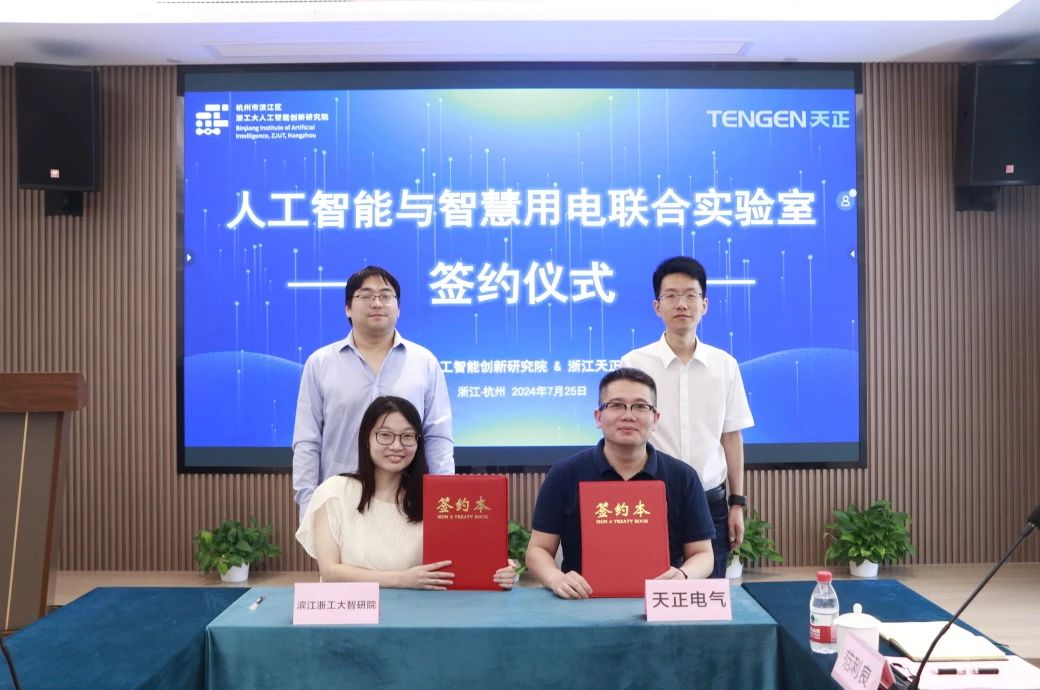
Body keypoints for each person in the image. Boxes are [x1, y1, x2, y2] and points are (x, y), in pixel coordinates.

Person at [525, 368, 715, 599]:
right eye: (616, 405)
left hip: (660, 602)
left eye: (640, 406)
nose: (628, 415)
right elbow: (538, 549)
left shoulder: (683, 477)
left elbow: (703, 554)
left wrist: (683, 576)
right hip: (581, 603)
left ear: (655, 419)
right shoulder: (564, 474)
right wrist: (556, 578)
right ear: (598, 417)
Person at [620, 256, 754, 579]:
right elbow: (623, 435)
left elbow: (731, 436)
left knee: (706, 595)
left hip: (709, 504)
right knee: (645, 593)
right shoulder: (634, 364)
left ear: (704, 305)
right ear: (657, 307)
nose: (681, 304)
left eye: (690, 295)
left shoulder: (725, 365)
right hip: (649, 501)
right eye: (671, 295)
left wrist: (736, 503)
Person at [296, 396, 516, 589]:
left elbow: (459, 562)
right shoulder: (334, 492)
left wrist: (498, 570)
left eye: (408, 436)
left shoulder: (434, 500)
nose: (397, 446)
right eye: (385, 435)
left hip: (415, 613)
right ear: (366, 439)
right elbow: (330, 572)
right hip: (353, 614)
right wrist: (401, 579)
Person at [292, 266, 454, 520]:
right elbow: (307, 441)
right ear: (348, 308)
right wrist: (307, 506)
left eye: (386, 296)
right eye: (366, 295)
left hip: (407, 503)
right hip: (339, 501)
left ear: (398, 308)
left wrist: (443, 499)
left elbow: (438, 438)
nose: (377, 303)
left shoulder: (424, 362)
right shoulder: (320, 363)